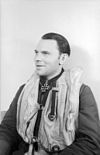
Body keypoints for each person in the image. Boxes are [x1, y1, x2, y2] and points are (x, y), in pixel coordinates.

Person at [0, 32, 100, 155]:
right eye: (36, 52)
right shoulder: (24, 89)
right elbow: (7, 131)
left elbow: (90, 143)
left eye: (45, 53)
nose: (37, 58)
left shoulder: (81, 92)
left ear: (62, 58)